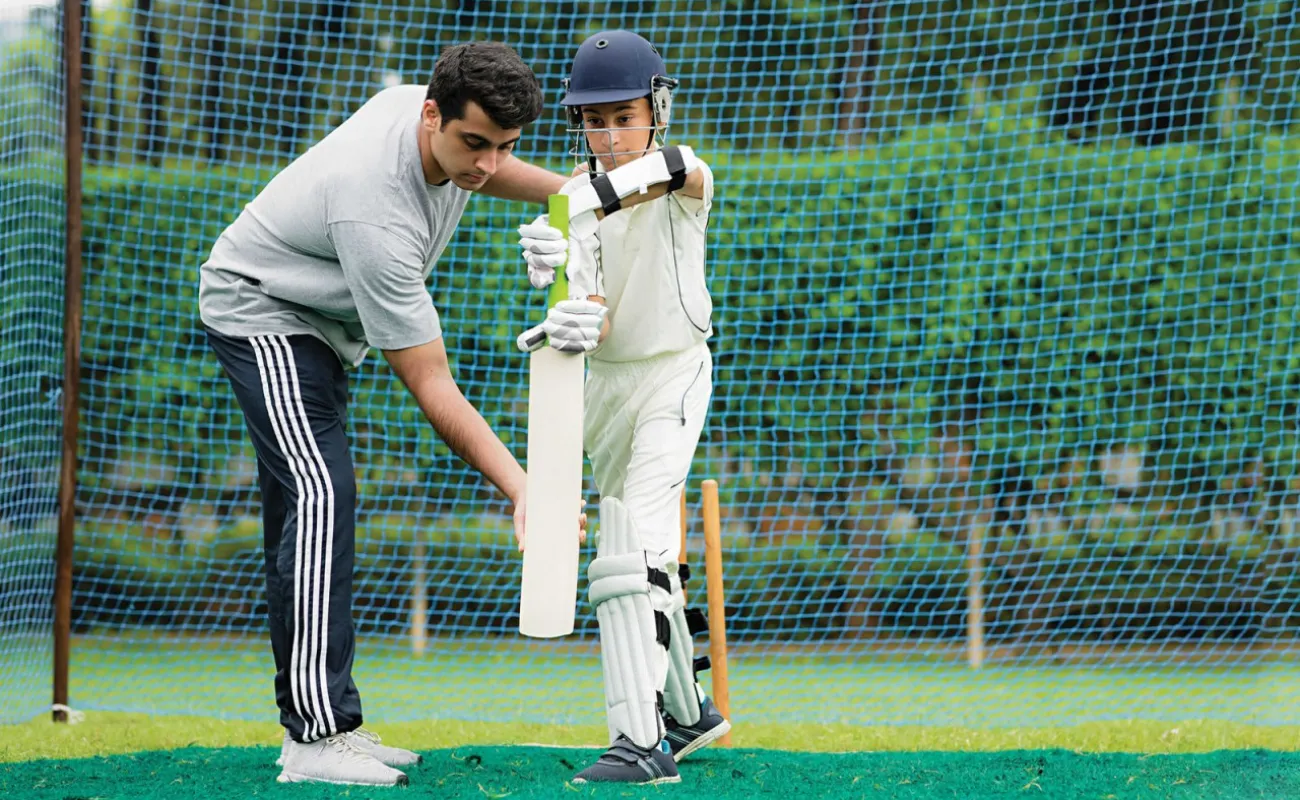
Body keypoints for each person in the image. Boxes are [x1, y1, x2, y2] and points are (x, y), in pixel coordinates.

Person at [199, 41, 579, 787]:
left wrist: (579, 193)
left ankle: (329, 724)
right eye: (474, 143)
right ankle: (315, 738)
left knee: (304, 514)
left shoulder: (428, 111)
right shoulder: (375, 211)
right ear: (431, 114)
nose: (488, 166)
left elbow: (493, 168)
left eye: (505, 146)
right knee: (321, 497)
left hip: (318, 330)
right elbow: (431, 384)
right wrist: (523, 487)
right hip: (261, 310)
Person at [516, 30, 731, 786]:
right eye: (594, 121)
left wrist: (577, 201)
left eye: (623, 117)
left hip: (675, 373)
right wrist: (571, 309)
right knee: (634, 552)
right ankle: (692, 713)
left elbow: (676, 169)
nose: (608, 136)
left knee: (632, 551)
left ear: (656, 109)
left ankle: (641, 741)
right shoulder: (576, 201)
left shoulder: (682, 173)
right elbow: (597, 313)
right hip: (604, 387)